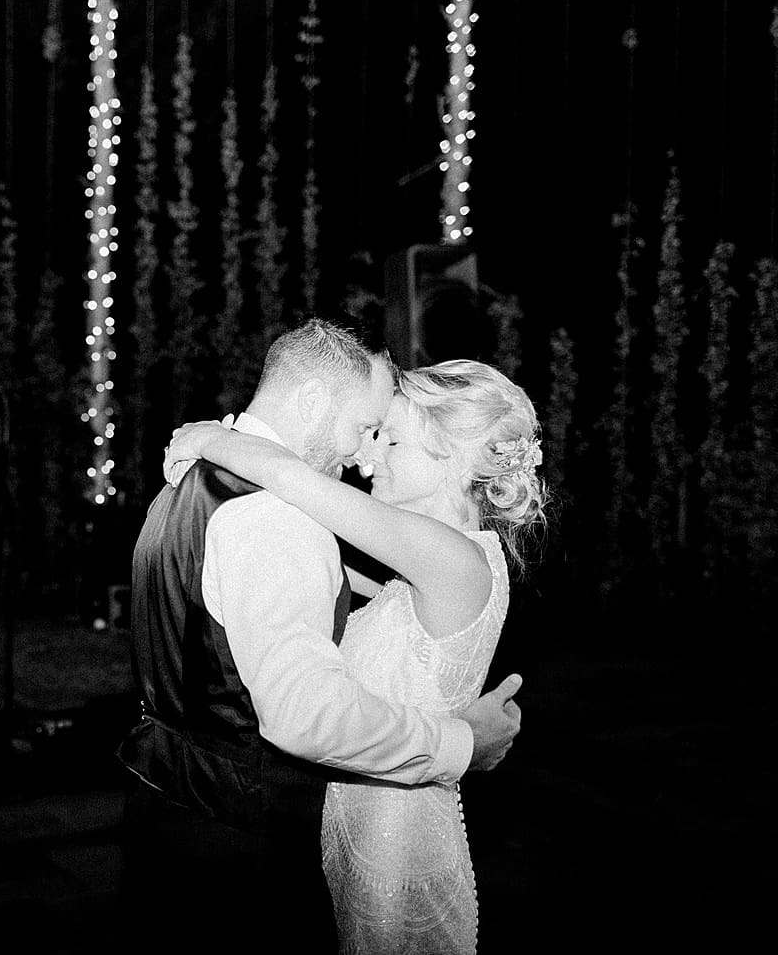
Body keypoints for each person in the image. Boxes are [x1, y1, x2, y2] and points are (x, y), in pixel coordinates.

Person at [114, 320, 522, 952]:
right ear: (313, 401)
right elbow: (308, 701)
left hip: (360, 831)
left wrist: (212, 439)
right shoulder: (275, 519)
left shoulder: (190, 490)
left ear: (452, 461)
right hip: (243, 833)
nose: (366, 457)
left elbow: (305, 493)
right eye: (370, 430)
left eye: (389, 440)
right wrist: (460, 742)